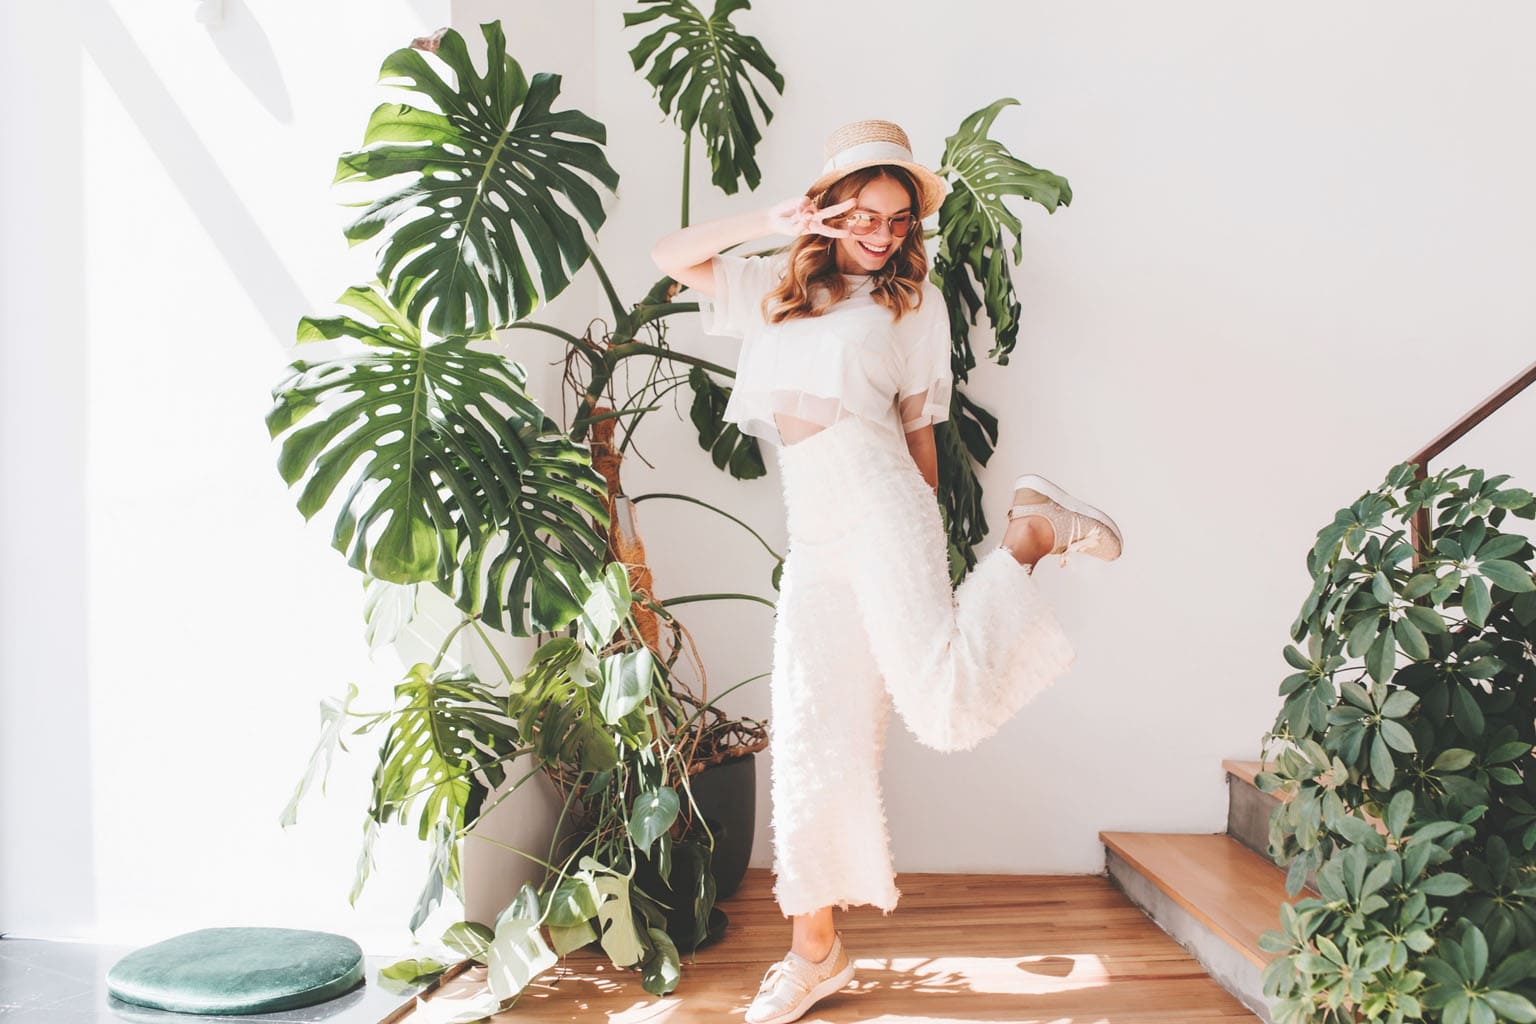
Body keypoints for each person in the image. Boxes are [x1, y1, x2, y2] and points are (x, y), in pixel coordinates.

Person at [649, 118, 1122, 1024]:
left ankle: (1030, 534)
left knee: (942, 708)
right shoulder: (771, 291)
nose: (883, 232)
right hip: (816, 525)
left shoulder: (912, 304)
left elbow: (918, 434)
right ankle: (814, 953)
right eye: (866, 212)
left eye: (900, 219)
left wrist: (936, 547)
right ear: (828, 208)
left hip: (881, 501)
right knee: (813, 739)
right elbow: (671, 254)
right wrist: (769, 217)